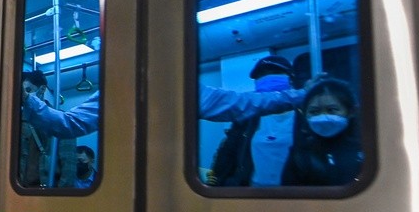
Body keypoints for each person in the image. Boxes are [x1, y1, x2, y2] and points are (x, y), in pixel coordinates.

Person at [21, 76, 306, 139]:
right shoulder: (117, 90)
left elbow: (246, 103)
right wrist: (26, 99)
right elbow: (68, 125)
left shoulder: (183, 87)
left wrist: (301, 96)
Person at [207, 55, 298, 186]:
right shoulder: (247, 118)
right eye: (261, 75)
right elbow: (227, 154)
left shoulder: (305, 116)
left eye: (275, 73)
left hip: (297, 194)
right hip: (252, 194)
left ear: (291, 78)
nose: (267, 78)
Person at [280, 77, 364, 186]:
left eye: (331, 110)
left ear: (351, 111)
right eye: (314, 111)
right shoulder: (300, 154)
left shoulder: (365, 150)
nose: (323, 116)